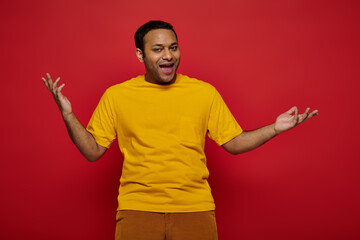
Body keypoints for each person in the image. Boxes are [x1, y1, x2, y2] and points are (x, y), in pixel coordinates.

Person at [42, 20, 318, 240]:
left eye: (173, 47)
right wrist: (68, 114)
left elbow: (233, 142)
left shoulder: (203, 92)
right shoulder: (117, 95)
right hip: (137, 208)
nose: (168, 55)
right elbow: (93, 152)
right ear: (140, 54)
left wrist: (275, 128)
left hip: (195, 208)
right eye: (158, 49)